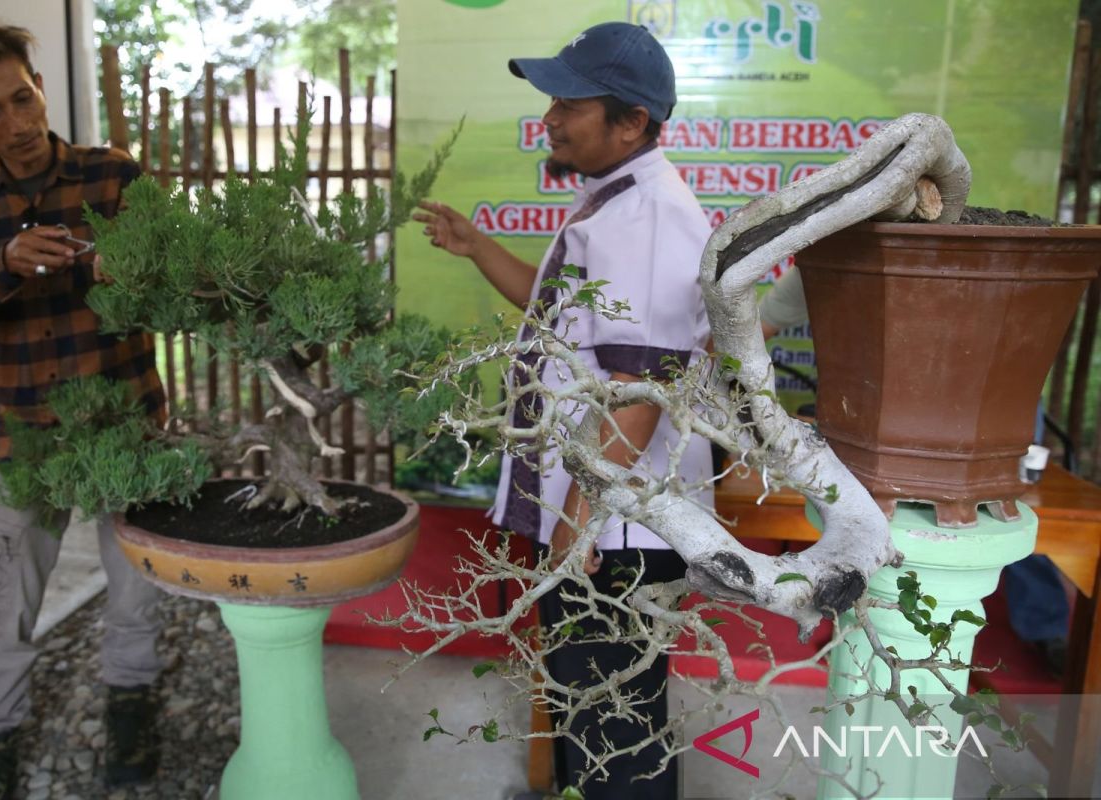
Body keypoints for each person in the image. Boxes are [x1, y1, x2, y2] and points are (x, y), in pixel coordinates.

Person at [415, 22, 713, 798]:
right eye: (551, 98)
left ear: (632, 122)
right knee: (589, 707)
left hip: (619, 527)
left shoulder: (648, 219)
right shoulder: (611, 203)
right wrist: (478, 247)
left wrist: (577, 522)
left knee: (617, 723)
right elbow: (562, 321)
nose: (548, 115)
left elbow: (639, 389)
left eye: (568, 102)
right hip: (600, 516)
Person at [0, 19, 166, 799]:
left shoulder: (114, 176)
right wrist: (2, 263)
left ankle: (131, 720)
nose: (16, 124)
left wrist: (121, 270)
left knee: (135, 597)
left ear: (41, 87)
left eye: (22, 99)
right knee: (2, 606)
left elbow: (168, 277)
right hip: (22, 438)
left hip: (125, 425)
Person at [760, 267, 1071, 674]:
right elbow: (756, 327)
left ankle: (1044, 629)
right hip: (876, 410)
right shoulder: (830, 261)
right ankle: (853, 621)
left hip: (986, 405)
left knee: (992, 511)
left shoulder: (976, 261)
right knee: (860, 514)